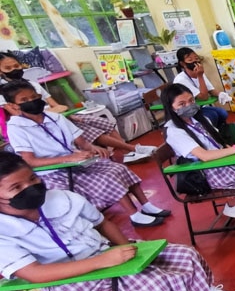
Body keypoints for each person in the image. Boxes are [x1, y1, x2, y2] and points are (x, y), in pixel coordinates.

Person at [0, 151, 235, 291]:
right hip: (74, 284)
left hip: (104, 253)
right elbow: (33, 274)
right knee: (148, 283)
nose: (30, 187)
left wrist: (125, 251)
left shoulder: (62, 198)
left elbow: (101, 222)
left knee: (183, 253)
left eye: (32, 179)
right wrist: (103, 262)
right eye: (16, 187)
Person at [2, 80, 171, 228]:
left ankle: (147, 205)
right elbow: (29, 161)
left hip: (76, 162)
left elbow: (81, 142)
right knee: (106, 178)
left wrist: (92, 148)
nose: (32, 101)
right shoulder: (16, 127)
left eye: (33, 97)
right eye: (24, 100)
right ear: (14, 106)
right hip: (52, 170)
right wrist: (69, 158)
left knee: (117, 168)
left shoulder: (55, 117)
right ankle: (134, 215)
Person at [0, 52, 155, 164]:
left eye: (16, 65)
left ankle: (126, 153)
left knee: (100, 122)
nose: (15, 69)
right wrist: (53, 113)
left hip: (59, 117)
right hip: (43, 124)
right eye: (8, 68)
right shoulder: (5, 93)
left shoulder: (33, 84)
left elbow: (58, 105)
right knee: (90, 131)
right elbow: (21, 113)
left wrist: (58, 113)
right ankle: (132, 148)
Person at [161, 83, 235, 221]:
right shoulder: (174, 131)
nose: (188, 106)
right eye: (181, 104)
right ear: (170, 107)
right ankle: (233, 204)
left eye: (191, 101)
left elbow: (218, 143)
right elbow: (204, 156)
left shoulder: (198, 119)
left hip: (220, 162)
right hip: (205, 171)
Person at [172, 47, 231, 127]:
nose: (195, 62)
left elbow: (211, 90)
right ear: (182, 64)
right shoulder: (181, 79)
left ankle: (218, 132)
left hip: (199, 107)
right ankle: (211, 134)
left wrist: (220, 94)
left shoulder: (199, 73)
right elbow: (203, 97)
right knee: (213, 115)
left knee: (222, 113)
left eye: (196, 58)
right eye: (190, 60)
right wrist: (200, 76)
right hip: (188, 111)